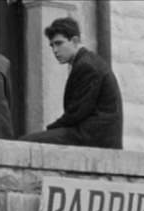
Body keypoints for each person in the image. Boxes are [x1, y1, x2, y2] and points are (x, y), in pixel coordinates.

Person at [19, 17, 123, 149]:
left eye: (59, 43)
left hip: (92, 137)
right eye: (52, 45)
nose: (55, 50)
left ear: (75, 41)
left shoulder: (87, 65)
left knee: (24, 144)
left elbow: (76, 113)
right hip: (91, 134)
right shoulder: (86, 62)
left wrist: (51, 129)